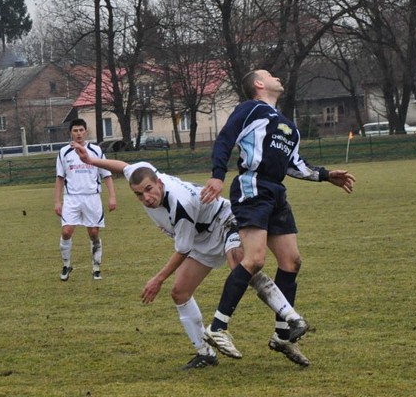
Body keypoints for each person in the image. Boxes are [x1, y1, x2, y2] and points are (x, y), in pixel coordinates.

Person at [72, 141, 311, 370]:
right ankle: (205, 353)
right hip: (201, 239)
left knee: (241, 264)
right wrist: (92, 160)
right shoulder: (142, 173)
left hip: (224, 220)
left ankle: (291, 317)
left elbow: (182, 250)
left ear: (159, 183)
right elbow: (123, 167)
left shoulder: (180, 205)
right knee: (180, 292)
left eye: (148, 190)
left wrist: (158, 279)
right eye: (139, 194)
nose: (146, 198)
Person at [200, 69, 356, 366]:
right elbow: (225, 139)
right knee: (255, 259)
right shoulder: (251, 109)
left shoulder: (288, 126)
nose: (278, 78)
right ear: (259, 84)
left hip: (276, 192)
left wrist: (325, 175)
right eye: (270, 75)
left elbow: (295, 164)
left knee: (292, 262)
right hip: (253, 185)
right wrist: (217, 176)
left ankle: (282, 336)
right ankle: (218, 327)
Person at [55, 119, 117, 281]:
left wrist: (112, 196)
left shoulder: (96, 150)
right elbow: (60, 178)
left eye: (81, 130)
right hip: (71, 199)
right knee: (66, 231)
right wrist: (57, 201)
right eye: (75, 130)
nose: (78, 133)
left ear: (86, 131)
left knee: (94, 233)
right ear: (71, 133)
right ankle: (66, 265)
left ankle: (96, 267)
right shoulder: (64, 152)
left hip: (92, 198)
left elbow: (107, 175)